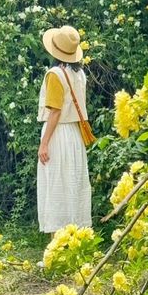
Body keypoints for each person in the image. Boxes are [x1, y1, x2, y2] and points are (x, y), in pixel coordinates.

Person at [37, 24, 92, 236]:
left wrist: (44, 143)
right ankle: (75, 243)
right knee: (73, 186)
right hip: (75, 135)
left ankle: (56, 247)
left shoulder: (54, 75)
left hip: (58, 134)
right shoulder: (80, 74)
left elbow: (55, 112)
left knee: (56, 187)